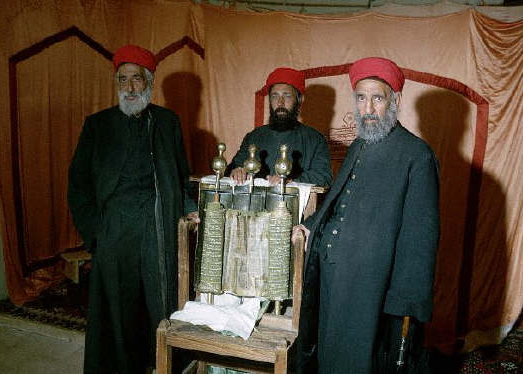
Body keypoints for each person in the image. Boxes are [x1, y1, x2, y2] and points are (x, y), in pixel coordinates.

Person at [295, 57, 440, 373]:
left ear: (395, 100)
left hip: (368, 285)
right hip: (331, 274)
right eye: (361, 98)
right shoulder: (359, 144)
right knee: (326, 354)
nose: (368, 108)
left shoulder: (417, 155)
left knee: (358, 361)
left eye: (378, 98)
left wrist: (405, 305)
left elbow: (420, 240)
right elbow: (337, 200)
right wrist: (309, 228)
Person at [67, 45, 198, 374]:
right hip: (114, 230)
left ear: (149, 83)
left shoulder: (167, 122)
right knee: (119, 311)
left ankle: (163, 365)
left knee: (160, 305)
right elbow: (78, 185)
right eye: (122, 80)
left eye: (136, 80)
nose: (129, 87)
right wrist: (95, 234)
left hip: (158, 225)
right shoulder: (97, 125)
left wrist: (191, 208)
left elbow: (181, 176)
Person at [227, 67, 332, 187]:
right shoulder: (254, 136)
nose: (280, 102)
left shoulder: (315, 139)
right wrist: (236, 171)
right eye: (275, 96)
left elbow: (323, 177)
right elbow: (234, 167)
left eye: (287, 96)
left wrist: (290, 181)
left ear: (299, 100)